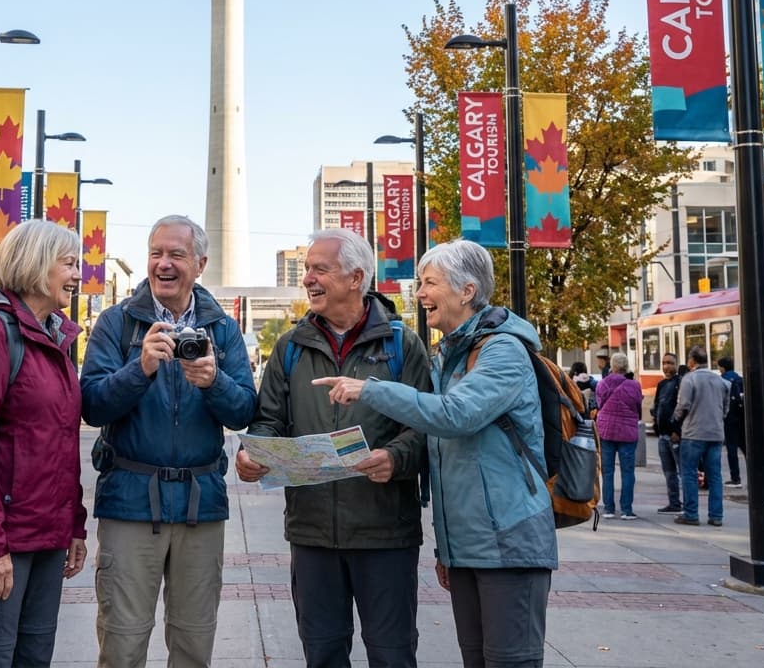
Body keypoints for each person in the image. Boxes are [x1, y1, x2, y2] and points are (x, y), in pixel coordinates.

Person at [317, 239, 556, 668]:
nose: (420, 294)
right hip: (468, 549)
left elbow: (455, 415)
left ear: (466, 291)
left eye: (430, 283)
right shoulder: (447, 356)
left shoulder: (503, 350)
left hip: (510, 543)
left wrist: (371, 390)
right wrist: (448, 551)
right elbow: (445, 457)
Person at [237, 228, 429, 668]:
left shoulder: (402, 345)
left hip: (385, 533)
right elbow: (268, 420)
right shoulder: (289, 348)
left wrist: (395, 458)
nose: (308, 279)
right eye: (306, 269)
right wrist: (256, 454)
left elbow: (425, 426)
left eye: (320, 269)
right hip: (312, 533)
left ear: (356, 277)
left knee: (392, 654)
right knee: (322, 654)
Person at [81, 215, 256, 668]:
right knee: (122, 642)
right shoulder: (117, 323)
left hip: (202, 506)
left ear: (200, 263)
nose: (163, 264)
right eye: (156, 253)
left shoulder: (223, 329)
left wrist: (213, 381)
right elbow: (92, 406)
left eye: (176, 255)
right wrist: (138, 369)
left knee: (195, 643)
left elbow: (243, 411)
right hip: (131, 503)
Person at [0, 220, 89, 668]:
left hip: (46, 536)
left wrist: (74, 525)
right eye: (69, 263)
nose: (78, 274)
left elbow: (58, 443)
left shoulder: (55, 338)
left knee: (33, 658)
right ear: (36, 265)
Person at [673, 346, 728, 527]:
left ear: (691, 361)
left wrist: (675, 420)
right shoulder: (721, 381)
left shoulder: (690, 379)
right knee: (715, 475)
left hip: (693, 432)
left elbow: (683, 405)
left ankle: (691, 513)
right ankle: (716, 515)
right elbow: (725, 408)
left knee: (689, 472)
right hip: (716, 432)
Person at [595, 352, 644, 520]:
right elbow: (638, 406)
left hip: (606, 431)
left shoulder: (603, 384)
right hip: (627, 433)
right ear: (626, 367)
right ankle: (626, 510)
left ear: (613, 367)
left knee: (607, 472)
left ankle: (608, 508)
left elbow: (600, 404)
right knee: (628, 471)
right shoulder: (634, 385)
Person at [651, 352, 684, 514]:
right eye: (664, 363)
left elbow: (682, 408)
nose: (666, 366)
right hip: (663, 435)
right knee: (669, 472)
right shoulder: (662, 384)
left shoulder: (681, 383)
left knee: (682, 471)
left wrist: (676, 430)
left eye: (670, 363)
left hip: (675, 435)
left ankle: (688, 504)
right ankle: (674, 502)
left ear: (676, 364)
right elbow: (657, 405)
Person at [717, 357, 745, 487]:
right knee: (745, 448)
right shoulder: (740, 379)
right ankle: (756, 476)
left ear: (722, 368)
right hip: (742, 418)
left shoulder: (723, 380)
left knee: (732, 448)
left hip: (729, 419)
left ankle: (735, 478)